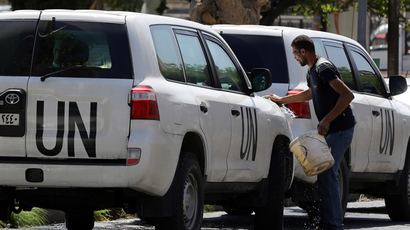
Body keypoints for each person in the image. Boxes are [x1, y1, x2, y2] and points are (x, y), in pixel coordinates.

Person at [270, 35, 356, 230]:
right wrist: (282, 100)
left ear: (303, 51)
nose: (294, 57)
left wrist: (327, 119)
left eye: (295, 53)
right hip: (332, 129)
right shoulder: (312, 70)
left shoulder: (323, 67)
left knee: (327, 175)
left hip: (341, 128)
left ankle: (334, 224)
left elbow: (347, 95)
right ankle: (328, 223)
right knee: (324, 175)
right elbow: (310, 93)